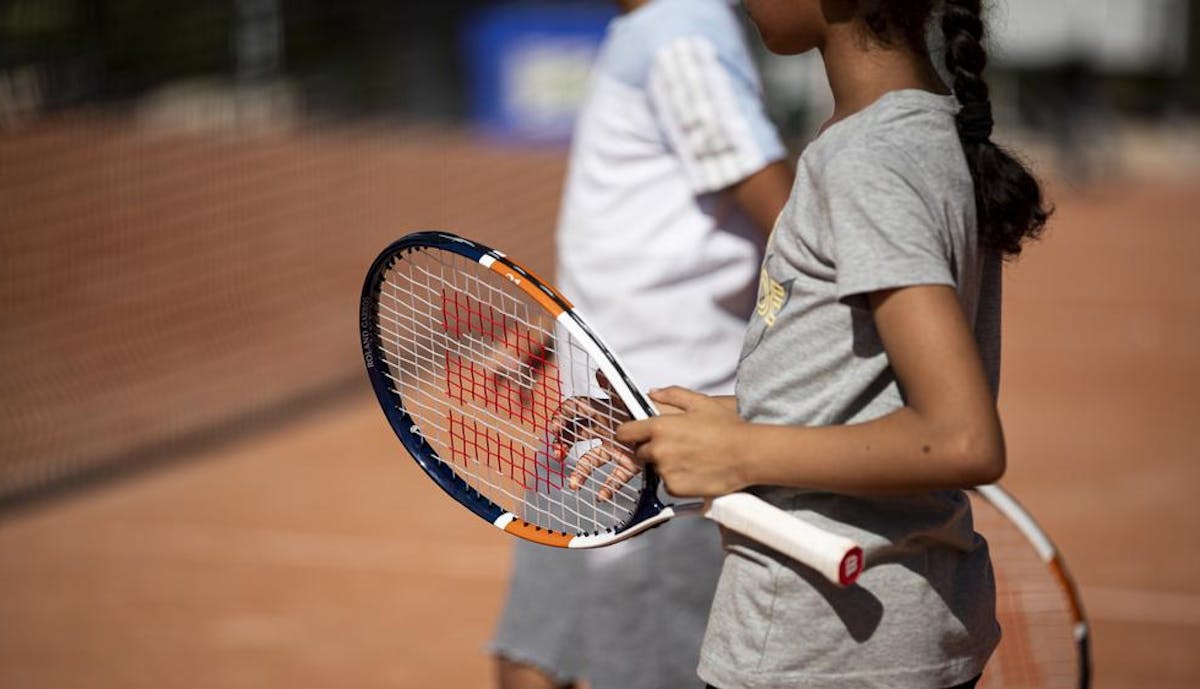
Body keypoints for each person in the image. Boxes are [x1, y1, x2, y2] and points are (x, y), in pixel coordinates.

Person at [600, 1, 1051, 688]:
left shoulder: (869, 158)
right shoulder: (912, 134)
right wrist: (705, 428)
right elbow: (854, 388)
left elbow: (962, 438)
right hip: (873, 634)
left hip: (826, 647)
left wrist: (742, 451)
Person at [489, 1, 794, 689]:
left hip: (661, 435)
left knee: (647, 666)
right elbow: (664, 229)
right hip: (590, 417)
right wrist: (561, 334)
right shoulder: (648, 31)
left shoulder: (680, 32)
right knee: (532, 655)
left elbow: (795, 227)